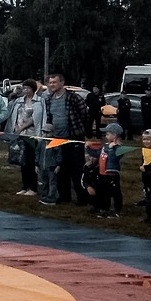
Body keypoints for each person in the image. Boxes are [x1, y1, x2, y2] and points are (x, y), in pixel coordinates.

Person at [43, 73, 90, 204]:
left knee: (77, 169)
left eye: (55, 82)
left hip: (73, 137)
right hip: (57, 138)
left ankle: (82, 198)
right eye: (50, 83)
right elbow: (49, 117)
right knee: (61, 169)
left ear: (62, 83)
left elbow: (85, 114)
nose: (52, 85)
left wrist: (79, 129)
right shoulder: (49, 99)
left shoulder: (73, 97)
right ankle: (64, 196)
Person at [6, 78, 45, 196]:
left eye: (28, 88)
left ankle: (33, 188)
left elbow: (37, 118)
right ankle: (25, 186)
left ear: (33, 89)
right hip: (19, 135)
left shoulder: (39, 101)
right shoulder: (18, 101)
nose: (25, 90)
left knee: (31, 162)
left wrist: (23, 127)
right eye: (24, 88)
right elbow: (13, 114)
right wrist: (16, 127)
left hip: (32, 135)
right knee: (22, 161)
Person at [93, 122, 125, 218]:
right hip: (103, 173)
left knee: (115, 192)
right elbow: (98, 154)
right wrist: (88, 148)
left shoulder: (118, 147)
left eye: (107, 134)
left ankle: (117, 210)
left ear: (114, 135)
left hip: (112, 173)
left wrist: (111, 149)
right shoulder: (106, 145)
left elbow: (113, 158)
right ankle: (104, 209)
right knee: (104, 192)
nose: (105, 136)